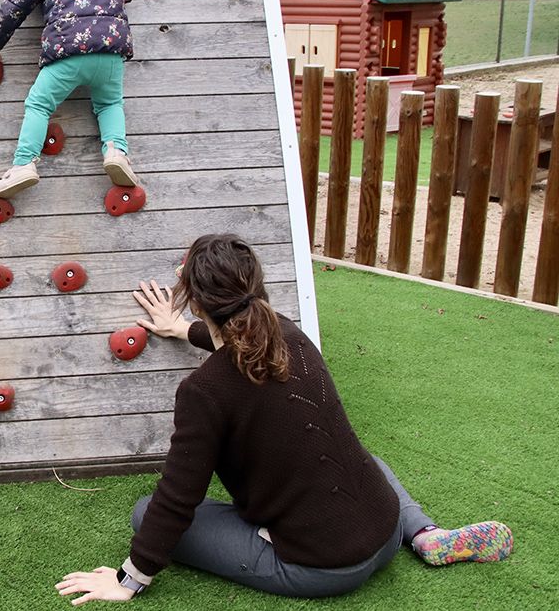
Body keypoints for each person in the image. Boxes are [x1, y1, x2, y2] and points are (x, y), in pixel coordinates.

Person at [56, 234, 513, 604]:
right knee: (358, 457)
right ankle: (426, 533)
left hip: (322, 567)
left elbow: (178, 496)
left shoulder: (203, 392)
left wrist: (129, 579)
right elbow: (236, 341)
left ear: (196, 301)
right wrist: (183, 328)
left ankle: (271, 537)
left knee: (145, 512)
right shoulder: (289, 332)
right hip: (385, 526)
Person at [0, 0, 141, 199]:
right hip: (112, 52)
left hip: (70, 52)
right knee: (109, 103)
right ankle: (117, 152)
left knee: (39, 104)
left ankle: (23, 164)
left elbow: (15, 7)